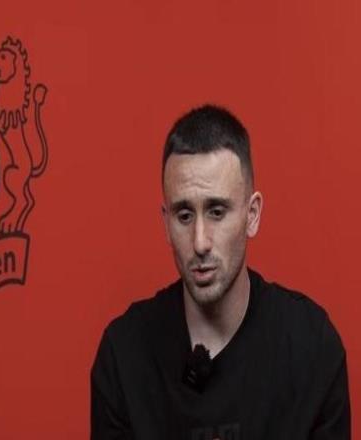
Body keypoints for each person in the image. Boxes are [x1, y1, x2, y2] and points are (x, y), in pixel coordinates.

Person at [91, 105, 351, 440]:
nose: (200, 242)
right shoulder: (124, 353)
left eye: (216, 211)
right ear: (166, 223)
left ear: (252, 215)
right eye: (184, 215)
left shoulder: (311, 346)